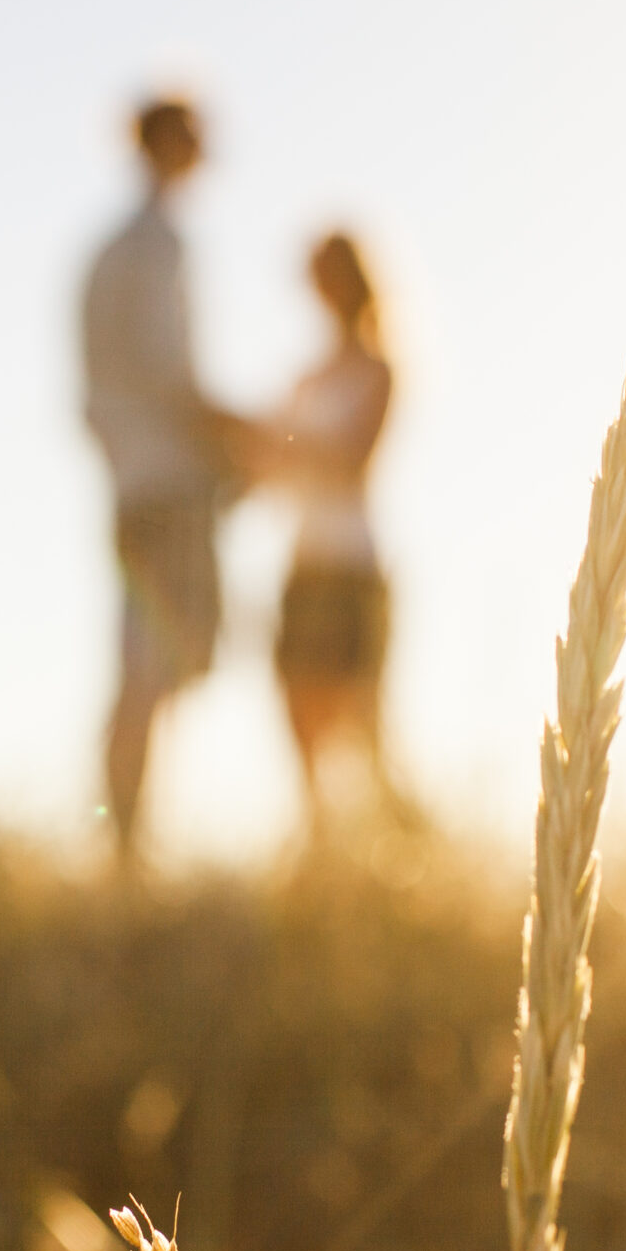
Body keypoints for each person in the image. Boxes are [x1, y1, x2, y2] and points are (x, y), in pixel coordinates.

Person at [80, 98, 246, 864]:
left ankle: (126, 841)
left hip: (130, 480)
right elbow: (171, 375)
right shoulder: (159, 246)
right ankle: (128, 846)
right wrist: (244, 439)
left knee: (142, 661)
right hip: (172, 482)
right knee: (157, 665)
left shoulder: (105, 252)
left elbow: (94, 393)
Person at [257, 232, 404, 831]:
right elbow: (264, 465)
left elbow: (355, 457)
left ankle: (392, 852)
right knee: (298, 717)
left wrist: (285, 448)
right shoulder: (306, 377)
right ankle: (320, 847)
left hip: (352, 564)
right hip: (304, 561)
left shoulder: (379, 370)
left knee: (364, 718)